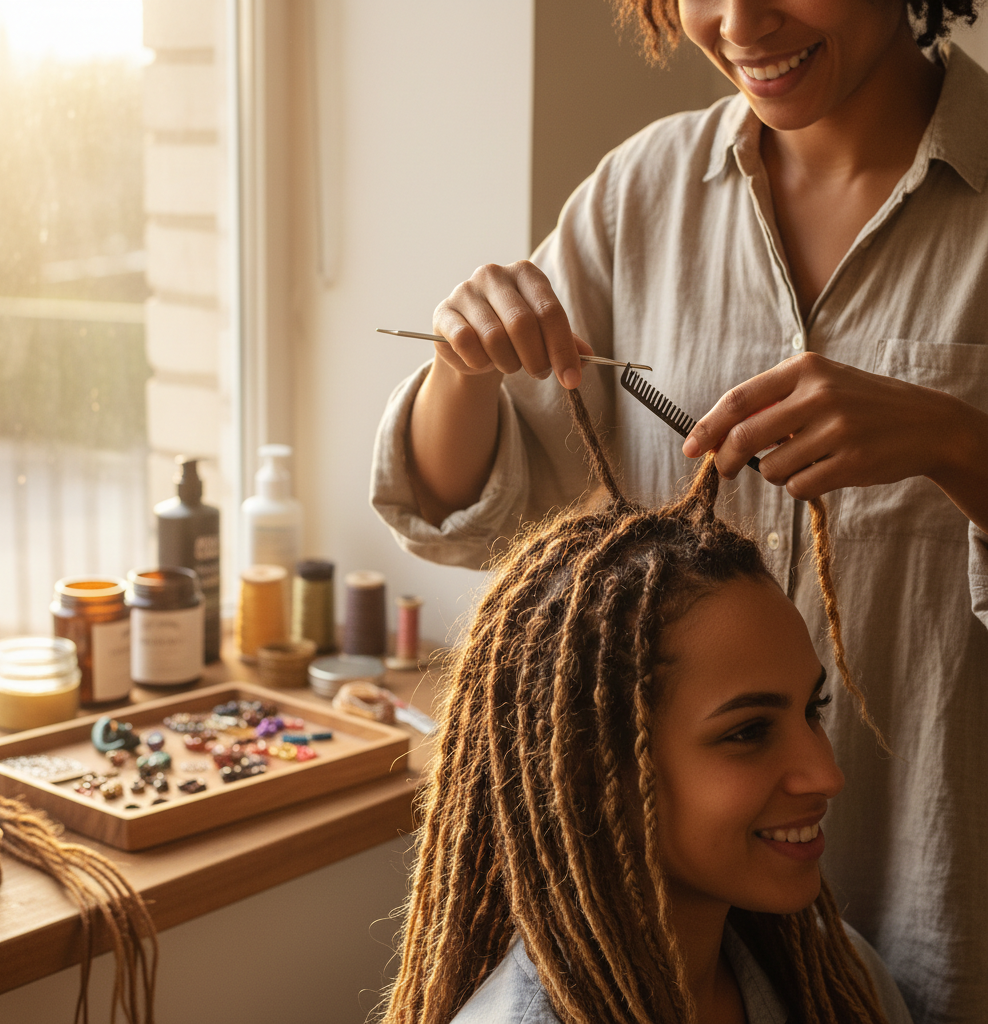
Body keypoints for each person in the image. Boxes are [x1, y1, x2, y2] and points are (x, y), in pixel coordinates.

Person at [370, 0, 988, 1019]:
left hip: (937, 902)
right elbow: (470, 520)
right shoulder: (640, 195)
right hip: (683, 939)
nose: (738, 21)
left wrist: (958, 443)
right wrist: (461, 367)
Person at [379, 417, 913, 1024]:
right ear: (586, 771)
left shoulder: (840, 980)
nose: (825, 774)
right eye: (748, 732)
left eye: (811, 711)